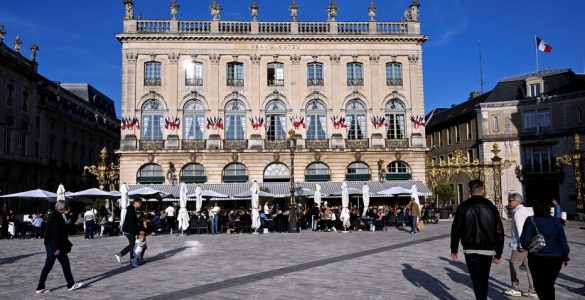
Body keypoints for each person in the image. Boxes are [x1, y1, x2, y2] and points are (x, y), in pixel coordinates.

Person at [450, 179, 504, 300]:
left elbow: (456, 230)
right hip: (487, 249)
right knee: (484, 279)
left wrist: (454, 249)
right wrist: (498, 253)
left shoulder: (463, 207)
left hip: (470, 249)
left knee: (476, 280)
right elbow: (499, 232)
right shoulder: (491, 207)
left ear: (470, 192)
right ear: (483, 190)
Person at [520, 198, 570, 300]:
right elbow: (563, 241)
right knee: (549, 285)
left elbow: (525, 241)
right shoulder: (556, 221)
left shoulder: (531, 220)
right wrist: (565, 256)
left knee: (539, 286)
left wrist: (529, 247)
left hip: (537, 258)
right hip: (556, 257)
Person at [36, 200, 84, 294]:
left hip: (52, 244)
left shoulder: (56, 215)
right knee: (61, 264)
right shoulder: (56, 217)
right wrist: (56, 248)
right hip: (54, 245)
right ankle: (70, 284)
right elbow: (55, 233)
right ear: (62, 208)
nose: (67, 208)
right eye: (66, 207)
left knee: (50, 265)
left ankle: (40, 287)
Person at [503, 193, 537, 298]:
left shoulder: (517, 212)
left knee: (513, 264)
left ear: (517, 201)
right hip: (530, 243)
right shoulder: (527, 210)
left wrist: (522, 244)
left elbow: (520, 229)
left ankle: (515, 288)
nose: (509, 202)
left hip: (520, 244)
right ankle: (533, 290)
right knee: (529, 266)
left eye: (510, 200)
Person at [115, 198, 142, 264]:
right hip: (129, 230)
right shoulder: (130, 209)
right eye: (140, 203)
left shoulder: (132, 209)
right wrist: (138, 231)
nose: (140, 204)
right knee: (132, 245)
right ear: (135, 202)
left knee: (132, 244)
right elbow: (132, 221)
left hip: (130, 229)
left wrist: (138, 219)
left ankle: (127, 258)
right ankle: (131, 260)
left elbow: (134, 220)